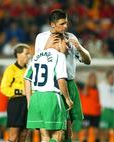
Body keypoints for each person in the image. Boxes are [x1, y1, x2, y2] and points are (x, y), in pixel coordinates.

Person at [34, 9, 91, 141]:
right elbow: (37, 61)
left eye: (66, 23)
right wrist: (49, 47)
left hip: (69, 83)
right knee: (51, 128)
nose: (65, 26)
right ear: (52, 24)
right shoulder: (41, 38)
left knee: (68, 126)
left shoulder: (71, 37)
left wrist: (80, 48)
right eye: (62, 23)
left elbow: (88, 61)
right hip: (51, 86)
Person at [24, 35, 73, 142]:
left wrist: (29, 101)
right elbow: (61, 80)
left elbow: (27, 79)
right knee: (58, 134)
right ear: (58, 42)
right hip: (51, 97)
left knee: (44, 137)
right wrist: (67, 98)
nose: (67, 47)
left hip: (36, 98)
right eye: (66, 43)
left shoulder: (36, 56)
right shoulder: (59, 56)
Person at [0, 43, 30, 142]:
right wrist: (21, 91)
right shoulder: (10, 69)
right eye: (27, 53)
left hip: (28, 102)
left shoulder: (30, 69)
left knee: (24, 133)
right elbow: (3, 88)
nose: (29, 56)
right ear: (18, 54)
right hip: (16, 102)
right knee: (13, 135)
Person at [98, 70, 114, 142]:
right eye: (110, 77)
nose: (112, 79)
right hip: (106, 111)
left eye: (113, 77)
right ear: (107, 78)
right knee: (104, 133)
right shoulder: (102, 85)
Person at [80, 72, 100, 142]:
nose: (93, 80)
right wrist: (87, 83)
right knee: (85, 132)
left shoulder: (97, 89)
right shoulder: (85, 87)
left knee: (96, 133)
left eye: (94, 79)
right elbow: (85, 93)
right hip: (86, 114)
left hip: (96, 114)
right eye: (91, 79)